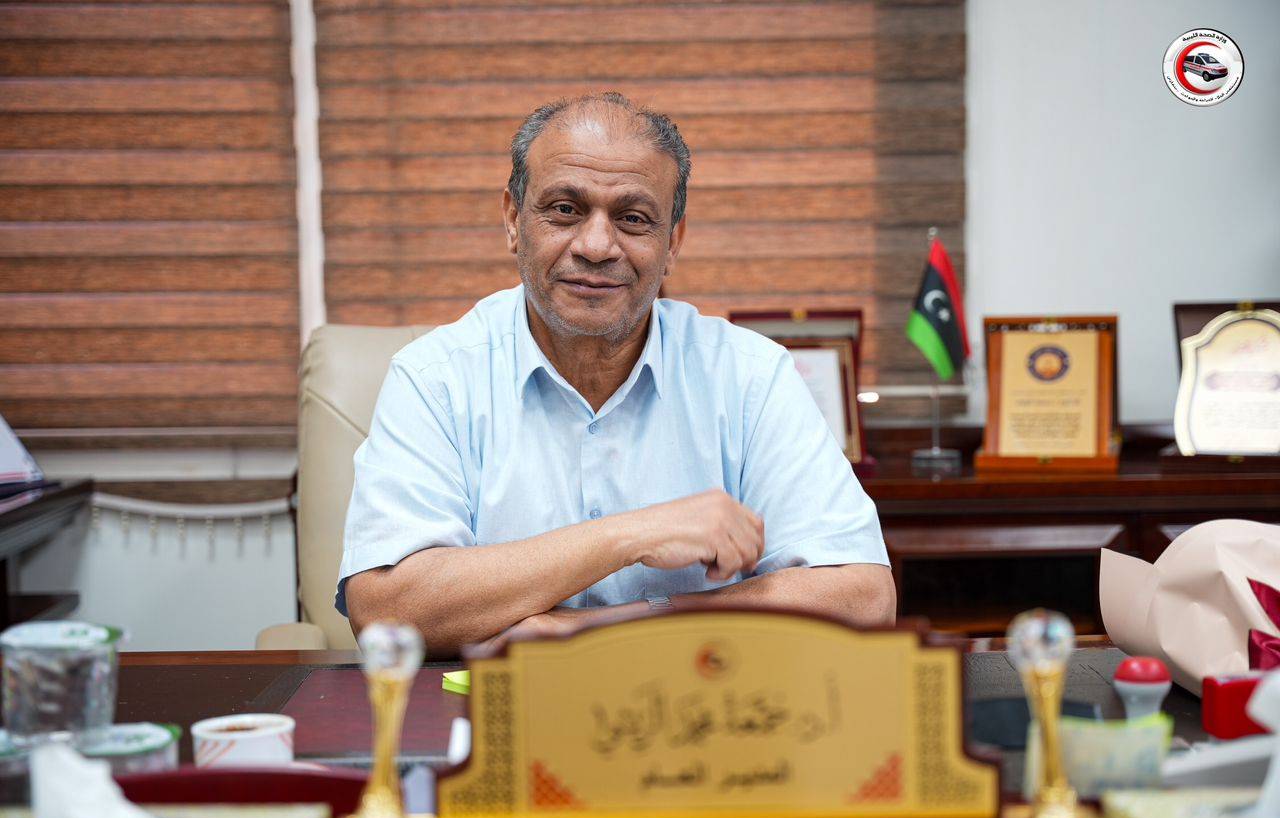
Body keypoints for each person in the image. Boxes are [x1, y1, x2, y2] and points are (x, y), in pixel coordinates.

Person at [338, 92, 893, 655]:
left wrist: (609, 626)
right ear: (513, 220)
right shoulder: (434, 378)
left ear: (672, 242)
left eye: (633, 219)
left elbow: (863, 599)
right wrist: (635, 534)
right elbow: (386, 611)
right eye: (564, 209)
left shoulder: (750, 376)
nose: (597, 246)